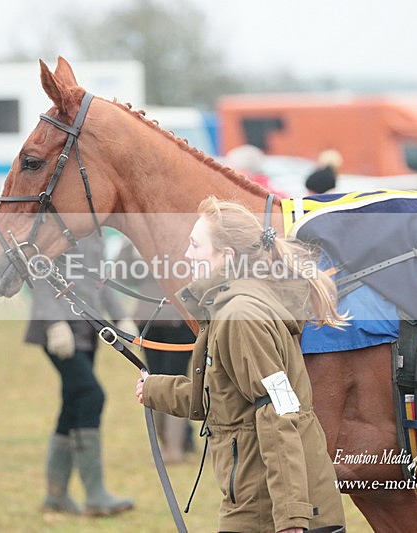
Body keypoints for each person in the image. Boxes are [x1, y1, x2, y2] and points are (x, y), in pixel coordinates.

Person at [135, 197, 347, 533]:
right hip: (260, 501)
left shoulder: (239, 316)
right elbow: (223, 398)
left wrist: (292, 516)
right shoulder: (235, 306)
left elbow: (278, 409)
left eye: (195, 244)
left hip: (271, 511)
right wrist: (155, 389)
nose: (186, 255)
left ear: (227, 257)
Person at [25, 235, 135, 517]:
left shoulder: (92, 230)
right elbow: (39, 275)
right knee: (91, 395)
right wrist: (53, 322)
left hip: (86, 331)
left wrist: (120, 315)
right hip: (59, 331)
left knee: (74, 401)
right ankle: (96, 494)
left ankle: (56, 495)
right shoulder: (53, 225)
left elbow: (100, 279)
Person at [115, 239, 196, 464]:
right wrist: (130, 250)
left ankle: (175, 448)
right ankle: (168, 446)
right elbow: (123, 275)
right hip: (148, 320)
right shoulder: (141, 238)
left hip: (179, 322)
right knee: (154, 379)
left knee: (175, 379)